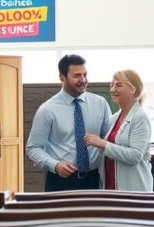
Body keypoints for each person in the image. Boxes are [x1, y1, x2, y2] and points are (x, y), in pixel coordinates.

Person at [26, 54, 111, 191]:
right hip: (60, 181)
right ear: (62, 78)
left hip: (95, 179)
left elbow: (110, 139)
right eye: (77, 76)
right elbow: (33, 147)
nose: (83, 80)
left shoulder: (100, 103)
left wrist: (140, 151)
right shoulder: (47, 109)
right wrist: (54, 164)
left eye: (85, 74)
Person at [84, 70, 153, 191]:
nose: (112, 89)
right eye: (112, 85)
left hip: (133, 190)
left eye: (118, 85)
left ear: (133, 89)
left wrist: (102, 143)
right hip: (111, 187)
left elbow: (135, 156)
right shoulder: (114, 118)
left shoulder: (140, 117)